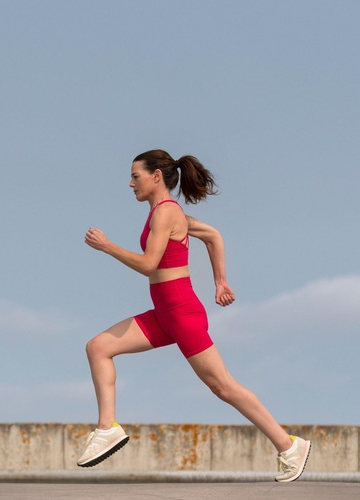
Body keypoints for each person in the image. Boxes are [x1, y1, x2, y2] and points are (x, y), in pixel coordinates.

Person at [76, 149, 310, 482]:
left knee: (223, 387)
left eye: (135, 176)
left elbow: (148, 265)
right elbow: (213, 235)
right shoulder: (165, 213)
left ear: (156, 176)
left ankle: (289, 446)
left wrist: (107, 246)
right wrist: (220, 282)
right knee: (98, 347)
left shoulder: (166, 213)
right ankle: (107, 429)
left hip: (182, 314)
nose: (130, 184)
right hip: (164, 315)